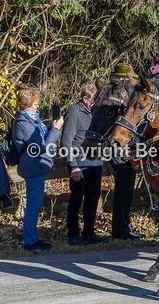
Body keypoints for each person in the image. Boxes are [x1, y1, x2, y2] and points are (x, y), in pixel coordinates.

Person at [11, 88, 64, 252]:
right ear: (27, 105)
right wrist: (55, 130)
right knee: (34, 205)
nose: (38, 106)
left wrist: (52, 127)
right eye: (35, 104)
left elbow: (43, 139)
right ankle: (29, 241)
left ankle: (32, 237)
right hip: (32, 167)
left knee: (36, 203)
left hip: (39, 166)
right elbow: (41, 147)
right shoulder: (24, 123)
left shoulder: (33, 120)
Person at [61, 83, 107, 246]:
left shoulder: (97, 113)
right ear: (85, 99)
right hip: (79, 161)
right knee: (76, 198)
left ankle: (89, 231)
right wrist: (73, 165)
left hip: (95, 161)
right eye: (93, 100)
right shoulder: (75, 112)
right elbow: (66, 142)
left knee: (93, 198)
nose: (95, 103)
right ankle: (73, 233)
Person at [108, 63, 144, 243]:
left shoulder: (120, 95)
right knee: (123, 191)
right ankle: (120, 229)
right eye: (130, 77)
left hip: (124, 150)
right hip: (120, 151)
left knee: (126, 192)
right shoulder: (116, 96)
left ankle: (123, 226)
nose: (132, 81)